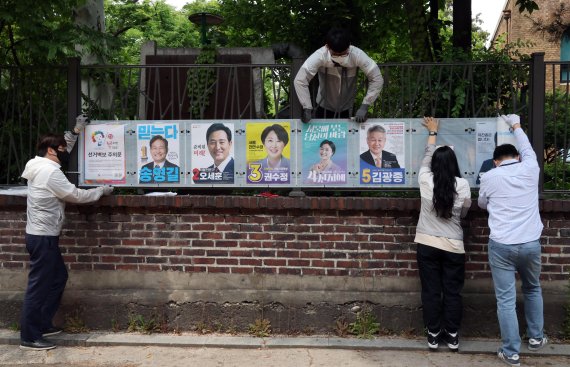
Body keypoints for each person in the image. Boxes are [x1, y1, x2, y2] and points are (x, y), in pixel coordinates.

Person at [20, 116, 114, 351]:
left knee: (58, 277)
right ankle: (29, 336)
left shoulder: (40, 164)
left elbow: (63, 149)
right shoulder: (50, 174)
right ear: (51, 151)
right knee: (39, 285)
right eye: (61, 149)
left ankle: (41, 323)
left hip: (42, 235)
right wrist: (102, 190)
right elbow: (77, 196)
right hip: (43, 238)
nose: (65, 153)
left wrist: (75, 131)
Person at [478, 114, 547, 367]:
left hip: (502, 245)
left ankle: (511, 352)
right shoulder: (529, 168)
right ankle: (537, 338)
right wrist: (516, 125)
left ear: (496, 161)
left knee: (505, 299)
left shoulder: (489, 176)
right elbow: (528, 148)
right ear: (516, 157)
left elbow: (482, 203)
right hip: (530, 243)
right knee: (533, 288)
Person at [415, 117, 471, 352]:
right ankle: (453, 334)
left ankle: (433, 333)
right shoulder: (463, 185)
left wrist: (433, 133)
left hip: (426, 244)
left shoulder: (425, 180)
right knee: (452, 291)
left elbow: (427, 158)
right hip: (454, 247)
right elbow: (465, 212)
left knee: (430, 290)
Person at [294, 28, 383, 122]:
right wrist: (307, 107)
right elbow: (300, 80)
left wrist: (365, 105)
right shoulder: (319, 56)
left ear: (349, 46)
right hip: (322, 105)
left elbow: (376, 78)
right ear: (327, 47)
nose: (340, 57)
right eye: (336, 54)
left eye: (344, 54)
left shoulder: (357, 55)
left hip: (347, 107)